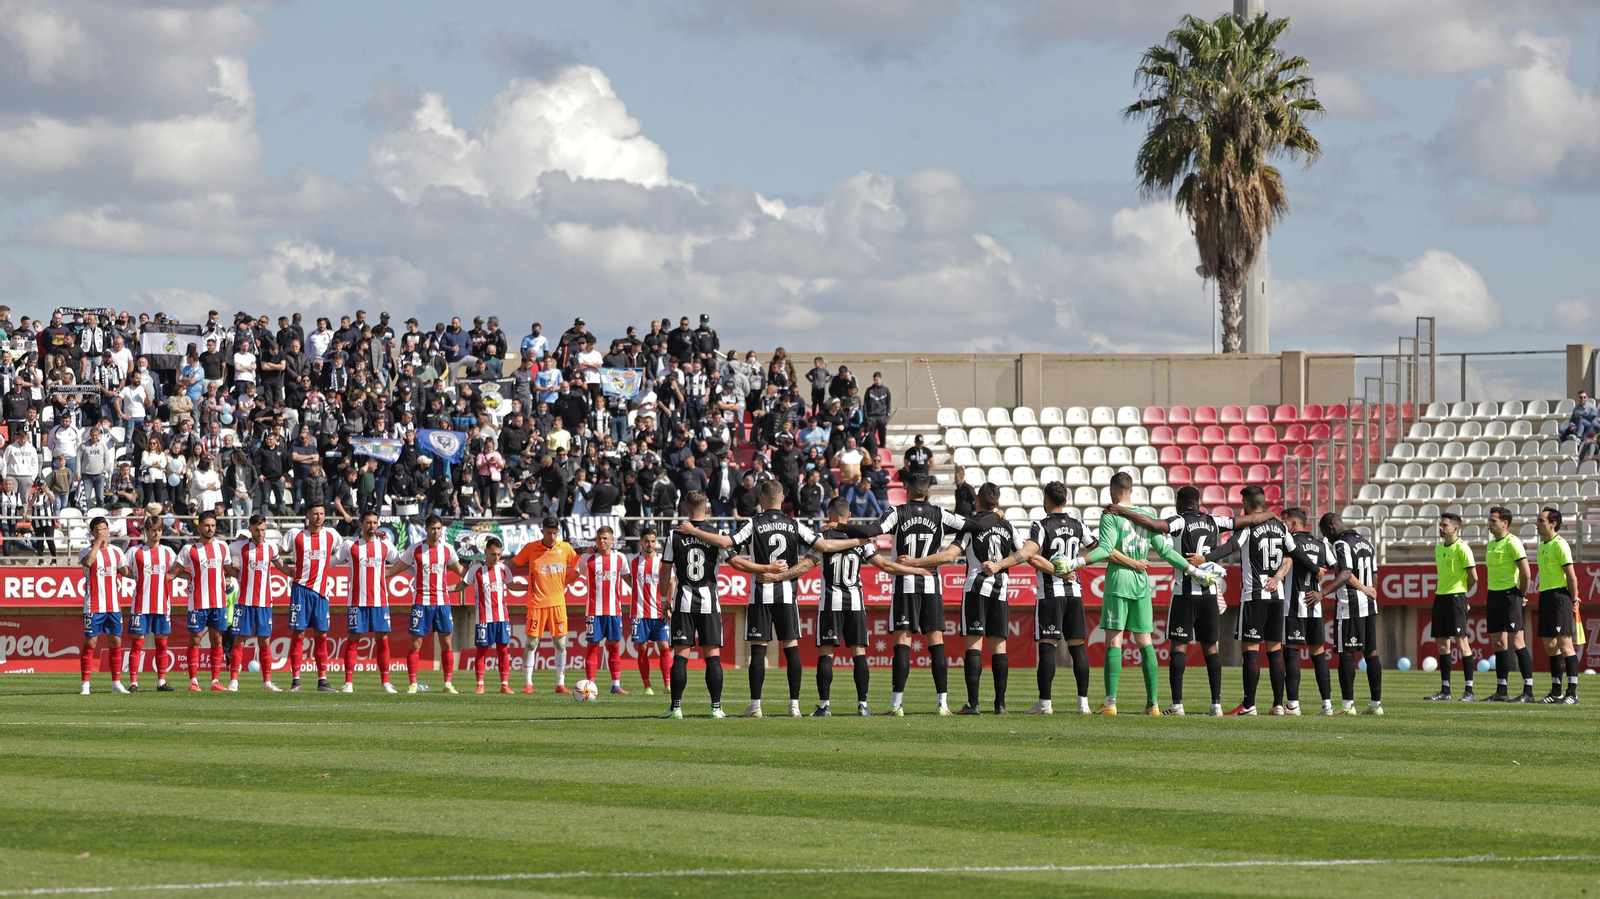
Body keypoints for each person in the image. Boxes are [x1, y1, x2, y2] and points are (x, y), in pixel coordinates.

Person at [677, 480, 857, 718]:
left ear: (762, 500)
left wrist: (693, 531)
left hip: (760, 594)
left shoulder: (753, 523)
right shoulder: (794, 524)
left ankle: (756, 706)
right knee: (792, 650)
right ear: (782, 499)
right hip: (787, 596)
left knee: (758, 651)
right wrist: (855, 541)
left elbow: (724, 542)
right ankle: (795, 706)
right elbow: (823, 545)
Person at [1057, 472, 1214, 715]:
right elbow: (1167, 552)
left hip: (1119, 581)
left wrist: (1074, 563)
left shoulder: (1111, 514)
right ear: (1132, 490)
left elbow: (1105, 550)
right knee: (1146, 642)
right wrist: (1193, 570)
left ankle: (1110, 702)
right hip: (1142, 583)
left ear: (1112, 491)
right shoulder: (1148, 516)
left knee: (1114, 640)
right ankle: (1153, 704)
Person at [1109, 487, 1268, 715]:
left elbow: (1153, 525)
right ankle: (1216, 705)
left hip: (1185, 592)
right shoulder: (1214, 520)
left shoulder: (1180, 520)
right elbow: (1251, 519)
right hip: (1209, 593)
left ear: (1179, 503)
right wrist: (1271, 515)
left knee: (1178, 647)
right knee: (1211, 649)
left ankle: (1177, 705)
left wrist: (1123, 511)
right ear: (1199, 502)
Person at [830, 472, 969, 715]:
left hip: (904, 584)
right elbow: (973, 525)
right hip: (931, 585)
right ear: (927, 492)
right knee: (936, 643)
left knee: (902, 643)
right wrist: (996, 517)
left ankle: (896, 705)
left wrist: (840, 525)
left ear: (906, 490)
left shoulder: (896, 512)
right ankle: (942, 704)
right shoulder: (940, 513)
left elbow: (872, 530)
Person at [897, 483, 1018, 715]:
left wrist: (915, 562)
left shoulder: (970, 526)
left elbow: (950, 555)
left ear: (976, 501)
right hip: (1001, 590)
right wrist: (1002, 564)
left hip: (975, 588)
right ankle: (1000, 705)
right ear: (998, 503)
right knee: (999, 648)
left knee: (974, 645)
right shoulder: (1008, 525)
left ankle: (973, 704)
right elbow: (1026, 552)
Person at [983, 481, 1095, 715]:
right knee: (1078, 648)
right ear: (1065, 500)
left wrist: (1001, 563)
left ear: (1046, 500)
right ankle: (1083, 704)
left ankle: (1045, 703)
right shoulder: (1078, 524)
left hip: (1050, 594)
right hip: (1074, 592)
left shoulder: (1040, 525)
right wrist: (1078, 564)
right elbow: (1097, 547)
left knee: (1047, 648)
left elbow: (1028, 553)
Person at [1200, 486, 1300, 716]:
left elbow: (1230, 547)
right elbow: (1292, 554)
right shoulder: (1280, 526)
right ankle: (1278, 705)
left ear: (1246, 503)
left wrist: (1204, 558)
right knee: (1275, 649)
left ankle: (1249, 704)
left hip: (1254, 594)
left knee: (1251, 649)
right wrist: (1305, 571)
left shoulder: (1249, 525)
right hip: (1277, 595)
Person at [660, 491, 731, 718]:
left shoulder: (674, 535)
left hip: (683, 602)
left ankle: (676, 708)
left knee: (681, 655)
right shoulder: (718, 534)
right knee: (712, 655)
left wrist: (664, 599)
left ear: (686, 510)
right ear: (707, 509)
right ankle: (716, 709)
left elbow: (665, 571)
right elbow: (733, 558)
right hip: (710, 602)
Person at [389, 514, 466, 694]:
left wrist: (477, 575)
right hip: (421, 602)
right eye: (433, 528)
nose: (436, 532)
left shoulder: (447, 550)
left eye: (439, 528)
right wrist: (380, 575)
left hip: (442, 602)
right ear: (426, 529)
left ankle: (447, 684)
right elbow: (397, 567)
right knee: (415, 644)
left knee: (446, 642)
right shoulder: (415, 550)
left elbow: (460, 570)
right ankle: (413, 684)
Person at [1319, 511, 1384, 715]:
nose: (1328, 539)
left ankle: (1347, 706)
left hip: (1350, 605)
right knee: (1371, 653)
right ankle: (1376, 705)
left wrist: (1323, 593)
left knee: (1346, 653)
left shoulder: (1341, 544)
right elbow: (1374, 573)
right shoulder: (1367, 543)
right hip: (1369, 605)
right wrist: (1370, 591)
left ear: (1330, 528)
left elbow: (1346, 573)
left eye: (1326, 534)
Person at [276, 504, 342, 692]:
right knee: (298, 636)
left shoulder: (332, 534)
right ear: (307, 515)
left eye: (322, 513)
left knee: (321, 637)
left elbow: (349, 548)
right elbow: (274, 551)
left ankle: (322, 681)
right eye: (315, 513)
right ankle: (296, 681)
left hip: (321, 593)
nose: (319, 517)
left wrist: (375, 539)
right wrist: (288, 571)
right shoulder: (295, 534)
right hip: (301, 591)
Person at [335, 511, 401, 693]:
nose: (372, 525)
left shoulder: (385, 544)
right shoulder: (350, 545)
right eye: (368, 522)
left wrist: (390, 573)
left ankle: (385, 683)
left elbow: (401, 562)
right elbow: (332, 562)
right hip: (357, 602)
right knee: (353, 640)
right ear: (361, 524)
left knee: (382, 640)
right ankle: (348, 682)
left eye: (374, 522)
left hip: (380, 602)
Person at [512, 516, 578, 694]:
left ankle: (560, 683)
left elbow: (580, 565)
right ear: (542, 531)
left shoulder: (565, 548)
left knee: (561, 644)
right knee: (532, 643)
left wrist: (566, 582)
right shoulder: (531, 548)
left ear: (558, 532)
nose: (551, 536)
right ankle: (528, 683)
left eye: (555, 533)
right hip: (536, 604)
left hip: (558, 604)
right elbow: (512, 564)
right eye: (548, 533)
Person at [1281, 508, 1335, 715]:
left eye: (1285, 522)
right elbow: (1337, 569)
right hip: (1315, 606)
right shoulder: (1322, 544)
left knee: (1292, 653)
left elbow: (1289, 561)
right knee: (1318, 655)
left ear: (1294, 524)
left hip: (1294, 605)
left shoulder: (1289, 540)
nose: (1282, 526)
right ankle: (1327, 705)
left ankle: (1293, 704)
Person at [1483, 506, 1536, 702]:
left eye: (1493, 521)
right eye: (1489, 520)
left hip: (1510, 596)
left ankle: (1528, 692)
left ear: (1504, 523)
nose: (1489, 524)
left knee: (1517, 642)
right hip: (1494, 596)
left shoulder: (1513, 542)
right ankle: (1501, 692)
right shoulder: (1490, 544)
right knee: (1498, 643)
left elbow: (1526, 573)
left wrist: (1520, 594)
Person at [174, 510, 231, 693]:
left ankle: (215, 681)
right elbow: (175, 570)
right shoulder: (189, 549)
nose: (210, 529)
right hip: (198, 603)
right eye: (206, 525)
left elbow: (228, 568)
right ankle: (193, 681)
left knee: (217, 640)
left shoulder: (223, 547)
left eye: (213, 525)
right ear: (199, 526)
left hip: (219, 602)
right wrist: (191, 577)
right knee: (195, 640)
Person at [122, 511, 177, 693]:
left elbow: (175, 570)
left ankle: (161, 682)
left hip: (162, 605)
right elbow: (123, 569)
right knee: (137, 644)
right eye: (153, 530)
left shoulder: (168, 552)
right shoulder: (135, 551)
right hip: (140, 605)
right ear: (146, 530)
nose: (156, 534)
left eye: (159, 530)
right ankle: (133, 683)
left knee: (162, 645)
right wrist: (137, 576)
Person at [224, 514, 281, 692]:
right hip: (244, 602)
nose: (260, 533)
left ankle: (267, 683)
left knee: (265, 642)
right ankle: (234, 681)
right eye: (257, 530)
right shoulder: (240, 546)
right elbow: (224, 559)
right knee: (239, 641)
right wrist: (238, 574)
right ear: (250, 529)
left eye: (263, 530)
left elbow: (280, 565)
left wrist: (297, 575)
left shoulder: (271, 548)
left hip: (265, 603)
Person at [1426, 512, 1479, 702]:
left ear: (1456, 528)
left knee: (1462, 642)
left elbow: (1474, 578)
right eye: (1440, 525)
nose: (1441, 528)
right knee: (1442, 644)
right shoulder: (1439, 549)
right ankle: (1445, 691)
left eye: (1445, 525)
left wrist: (1462, 595)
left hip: (1456, 599)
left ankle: (1469, 691)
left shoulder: (1463, 549)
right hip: (1440, 598)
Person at [571, 525, 629, 695]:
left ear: (612, 540)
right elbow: (571, 577)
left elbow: (629, 581)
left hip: (614, 612)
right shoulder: (586, 558)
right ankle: (589, 685)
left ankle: (616, 685)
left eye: (605, 538)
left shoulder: (620, 559)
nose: (602, 541)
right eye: (599, 538)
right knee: (592, 647)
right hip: (593, 611)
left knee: (614, 647)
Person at [1532, 507, 1581, 704]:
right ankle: (1556, 692)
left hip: (1560, 597)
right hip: (1545, 596)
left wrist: (1573, 598)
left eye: (1541, 520)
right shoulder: (1542, 546)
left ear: (1553, 524)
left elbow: (1571, 576)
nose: (1537, 523)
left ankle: (1572, 694)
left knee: (1565, 645)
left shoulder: (1560, 545)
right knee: (1550, 646)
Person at [454, 535, 513, 694]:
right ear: (486, 551)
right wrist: (442, 589)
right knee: (481, 651)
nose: (496, 557)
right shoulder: (476, 569)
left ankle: (504, 684)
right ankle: (480, 684)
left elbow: (512, 586)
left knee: (503, 651)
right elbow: (461, 586)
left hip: (502, 618)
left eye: (499, 554)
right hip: (484, 619)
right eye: (493, 554)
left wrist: (530, 587)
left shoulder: (503, 569)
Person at [78, 516, 128, 695]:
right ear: (92, 532)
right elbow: (88, 563)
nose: (102, 533)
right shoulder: (86, 551)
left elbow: (124, 571)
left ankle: (116, 683)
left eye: (104, 529)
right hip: (94, 605)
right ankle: (85, 684)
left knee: (116, 642)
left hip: (114, 606)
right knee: (91, 642)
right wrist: (97, 543)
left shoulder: (116, 552)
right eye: (98, 530)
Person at [629, 528, 672, 696]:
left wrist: (670, 603)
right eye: (646, 541)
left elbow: (672, 582)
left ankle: (667, 685)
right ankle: (647, 686)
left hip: (659, 612)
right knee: (642, 648)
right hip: (639, 613)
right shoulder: (632, 561)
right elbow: (628, 579)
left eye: (653, 541)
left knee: (664, 647)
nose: (650, 544)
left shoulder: (663, 561)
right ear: (640, 541)